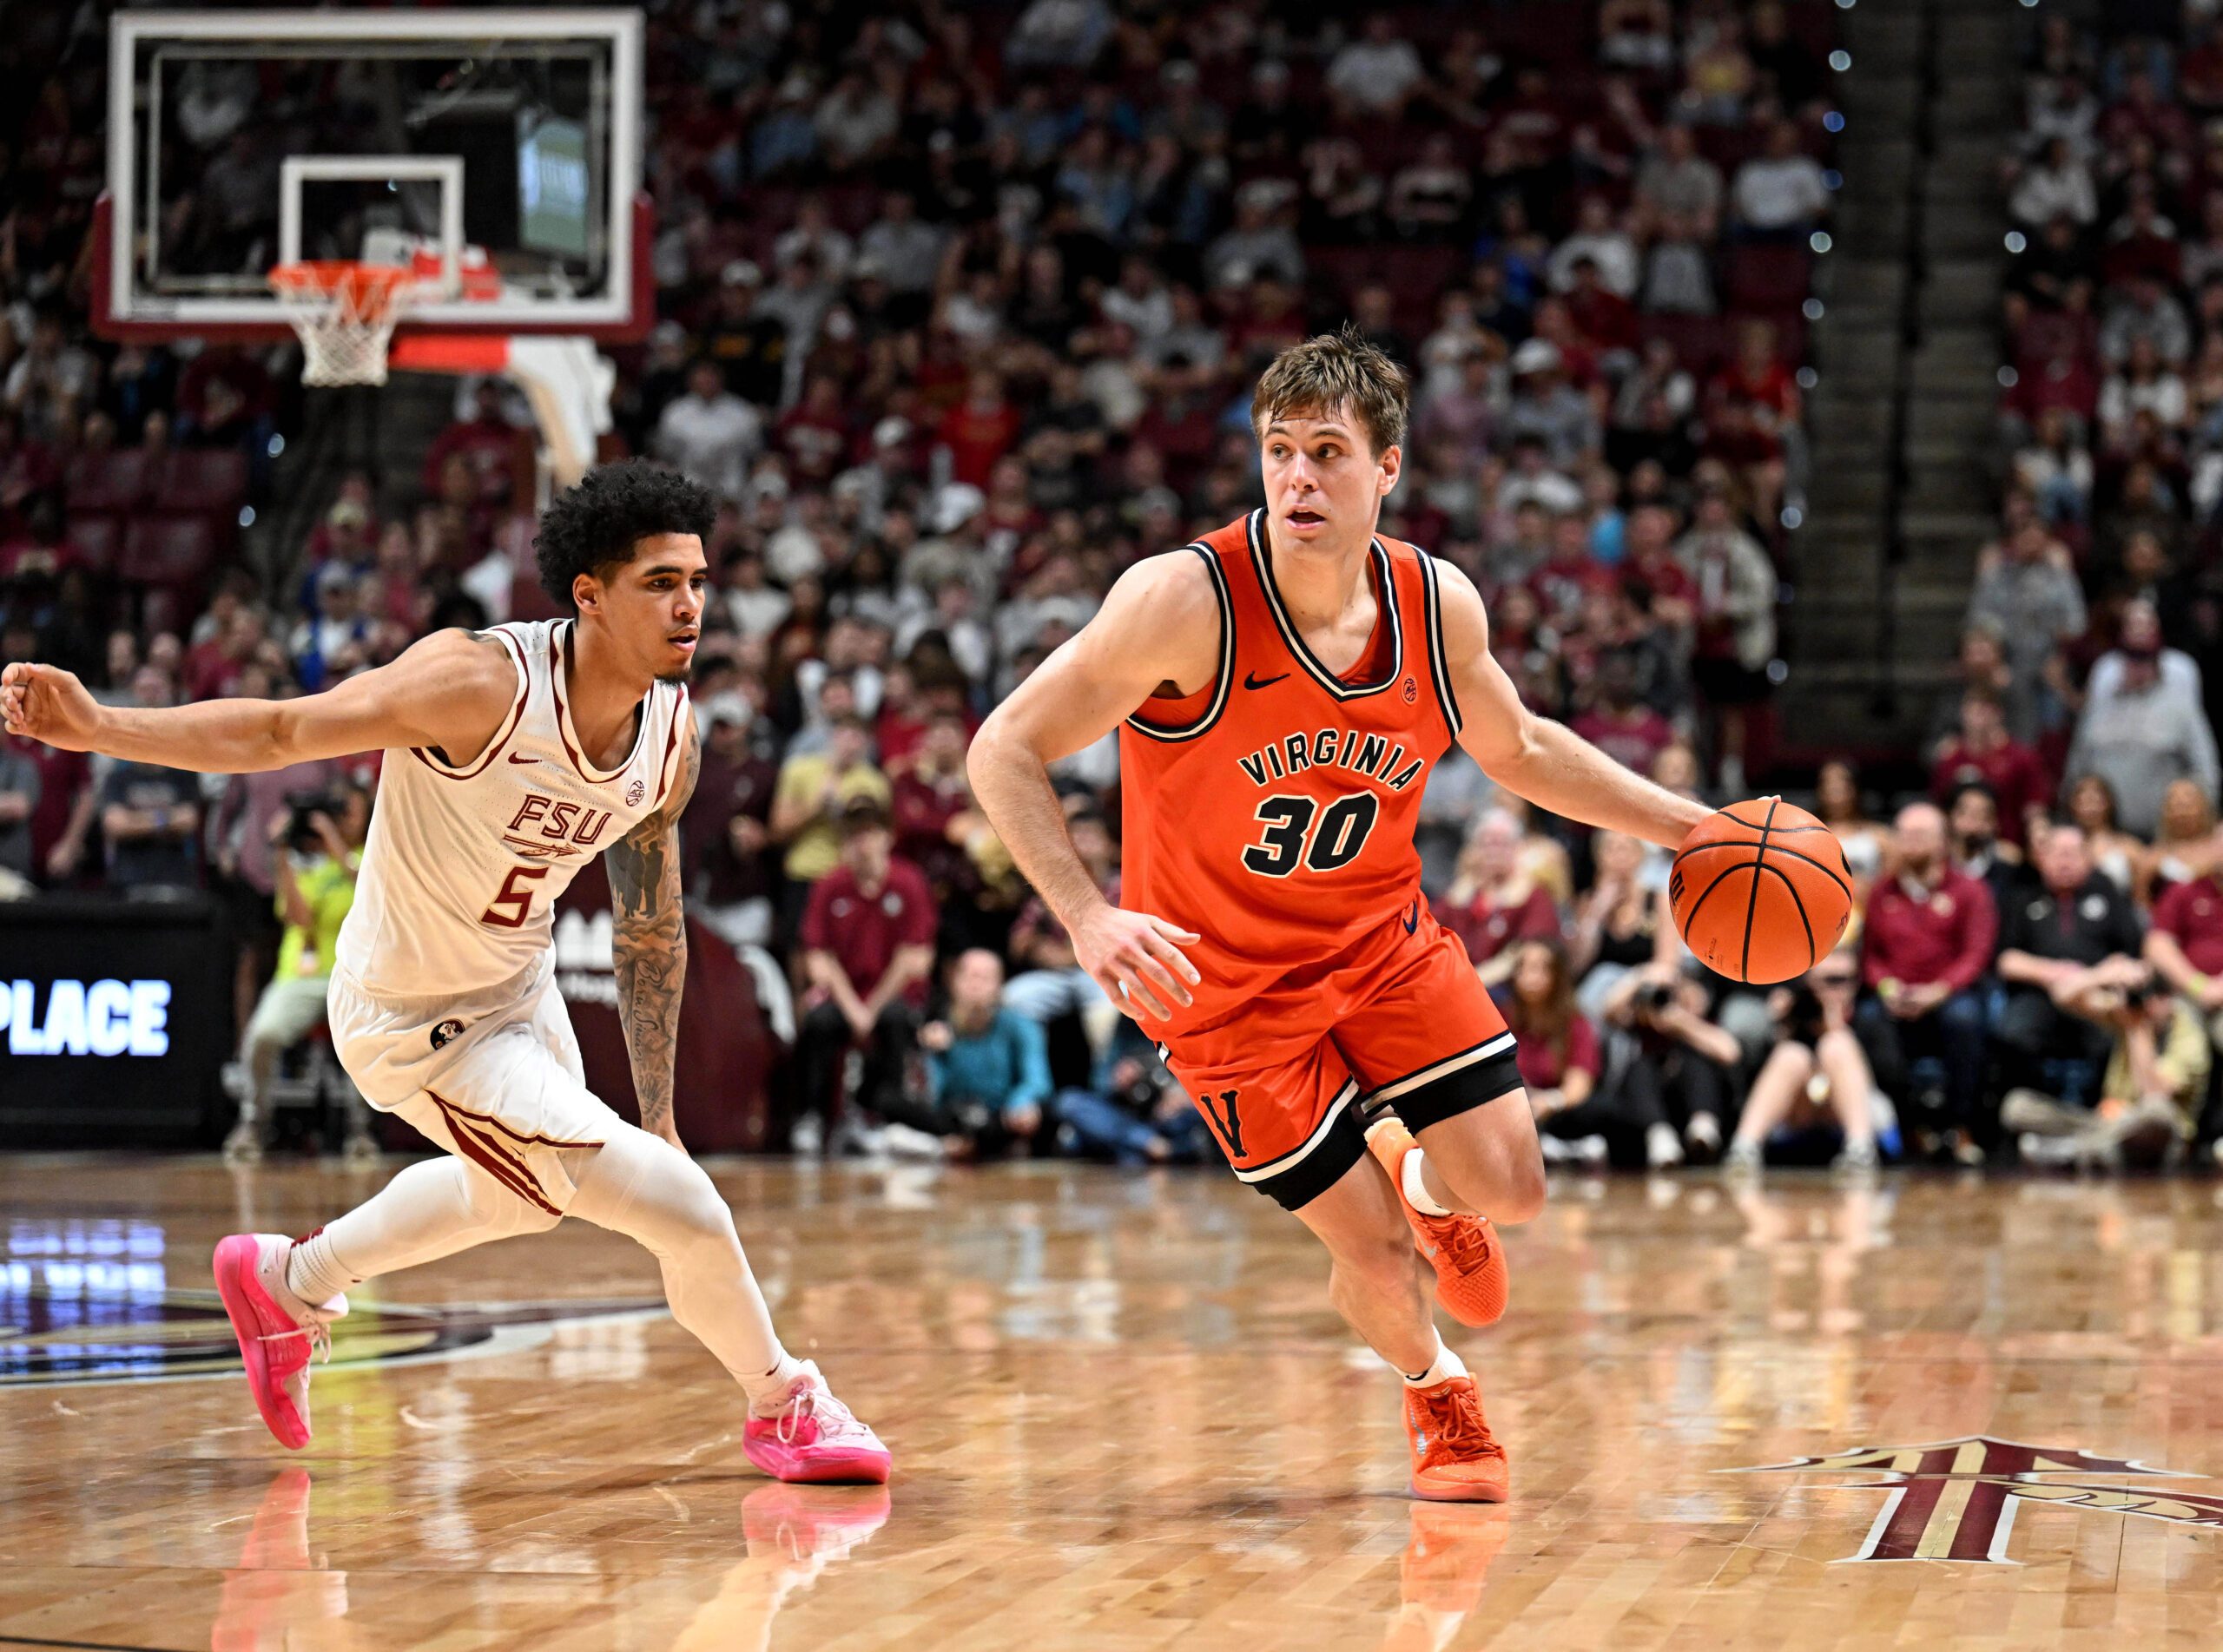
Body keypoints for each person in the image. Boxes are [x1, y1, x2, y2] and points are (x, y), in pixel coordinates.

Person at [0, 460, 888, 1482]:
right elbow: (284, 730)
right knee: (681, 1207)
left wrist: (659, 1112)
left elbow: (650, 925)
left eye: (696, 580)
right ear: (589, 595)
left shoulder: (671, 739)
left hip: (518, 993)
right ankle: (783, 1400)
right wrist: (101, 725)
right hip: (411, 1019)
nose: (689, 605)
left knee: (521, 1197)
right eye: (658, 582)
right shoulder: (477, 684)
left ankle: (287, 1280)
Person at [965, 326, 1715, 1503]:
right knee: (1367, 1254)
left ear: (1389, 469)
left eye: (1327, 451)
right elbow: (1003, 744)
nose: (1299, 478)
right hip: (1222, 994)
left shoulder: (1433, 601)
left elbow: (1516, 745)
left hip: (1381, 945)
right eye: (1279, 452)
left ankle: (1430, 1187)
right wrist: (1085, 915)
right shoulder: (1183, 601)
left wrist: (1682, 826)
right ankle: (1435, 1388)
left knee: (1515, 1189)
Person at [224, 781, 377, 1166]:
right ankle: (253, 1124)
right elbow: (298, 917)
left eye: (348, 811)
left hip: (356, 978)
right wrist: (279, 851)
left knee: (366, 1041)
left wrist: (333, 841)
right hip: (301, 976)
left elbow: (367, 889)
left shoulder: (373, 857)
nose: (340, 819)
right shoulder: (303, 863)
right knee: (262, 1036)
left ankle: (361, 1133)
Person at [791, 798, 938, 1155]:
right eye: (854, 835)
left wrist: (870, 1009)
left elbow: (914, 959)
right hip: (845, 996)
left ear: (887, 837)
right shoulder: (830, 886)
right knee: (819, 1023)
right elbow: (819, 958)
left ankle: (892, 1118)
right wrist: (854, 1008)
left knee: (896, 1019)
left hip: (891, 997)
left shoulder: (909, 882)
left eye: (870, 833)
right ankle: (812, 1116)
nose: (863, 843)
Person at [1857, 803, 1995, 1164]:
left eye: (1920, 835)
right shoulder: (1881, 892)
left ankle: (1962, 1127)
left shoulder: (1970, 890)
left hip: (1948, 995)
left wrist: (1938, 991)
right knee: (1869, 1021)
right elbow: (1870, 956)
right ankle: (1908, 1126)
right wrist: (1887, 988)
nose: (1910, 843)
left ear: (1943, 842)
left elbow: (1976, 954)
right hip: (1895, 997)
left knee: (1964, 1020)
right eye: (1904, 835)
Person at [1992, 822, 2148, 1103]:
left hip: (2095, 996)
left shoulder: (2108, 895)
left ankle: (2097, 1114)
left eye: (2073, 854)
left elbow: (2130, 955)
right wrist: (2052, 972)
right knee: (2013, 1032)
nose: (2065, 861)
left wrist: (2091, 977)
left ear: (2089, 859)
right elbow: (2006, 960)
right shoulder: (2022, 896)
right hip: (2037, 994)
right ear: (2041, 857)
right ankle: (2030, 1112)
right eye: (2057, 853)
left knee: (2110, 1039)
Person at [2007, 964, 2210, 1170]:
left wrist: (2137, 1029)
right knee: (2017, 1106)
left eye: (2154, 994)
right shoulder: (2125, 1010)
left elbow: (2154, 1093)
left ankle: (2068, 1152)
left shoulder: (2188, 1034)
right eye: (2143, 994)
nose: (2147, 1004)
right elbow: (2062, 995)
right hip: (2108, 1125)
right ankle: (2094, 1151)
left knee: (2157, 1112)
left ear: (2170, 998)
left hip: (2157, 1138)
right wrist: (2103, 974)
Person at [1725, 948, 1882, 1175]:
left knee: (1836, 1045)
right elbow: (1754, 1069)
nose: (1833, 990)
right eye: (1824, 982)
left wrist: (1836, 1026)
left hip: (1863, 1112)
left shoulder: (1869, 1014)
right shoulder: (1797, 1012)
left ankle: (1860, 1150)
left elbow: (1890, 1074)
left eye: (1842, 980)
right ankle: (1744, 1149)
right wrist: (1780, 1026)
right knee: (1791, 1055)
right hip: (1799, 1113)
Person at [911, 949, 1052, 1158]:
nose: (975, 985)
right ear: (954, 982)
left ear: (999, 986)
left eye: (985, 978)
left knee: (1044, 1112)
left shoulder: (1020, 1026)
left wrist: (1019, 1104)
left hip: (1001, 1116)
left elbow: (1037, 1079)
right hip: (954, 1116)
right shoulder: (937, 1027)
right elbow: (931, 1095)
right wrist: (930, 1054)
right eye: (969, 976)